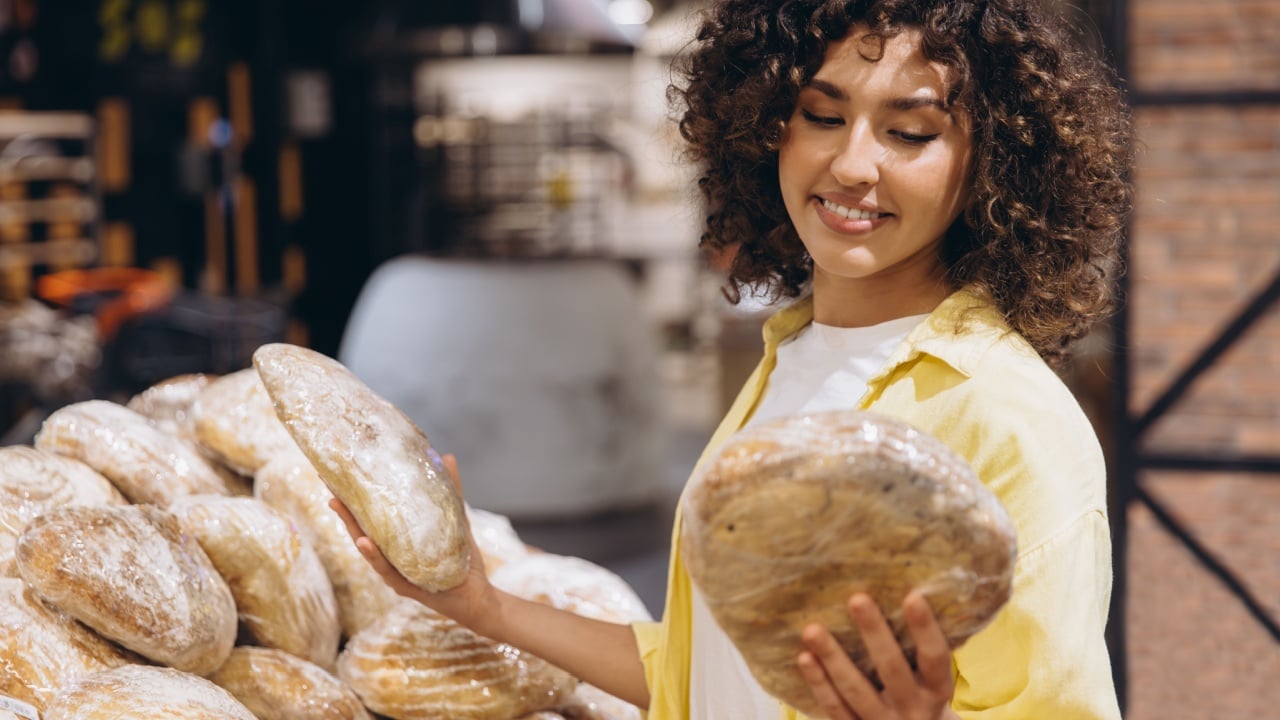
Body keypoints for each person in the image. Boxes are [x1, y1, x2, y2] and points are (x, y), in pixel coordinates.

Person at [331, 0, 1135, 718]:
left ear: (990, 162)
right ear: (766, 128)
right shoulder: (792, 359)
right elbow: (700, 668)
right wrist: (486, 605)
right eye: (822, 116)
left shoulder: (1008, 420)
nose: (853, 164)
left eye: (910, 132)